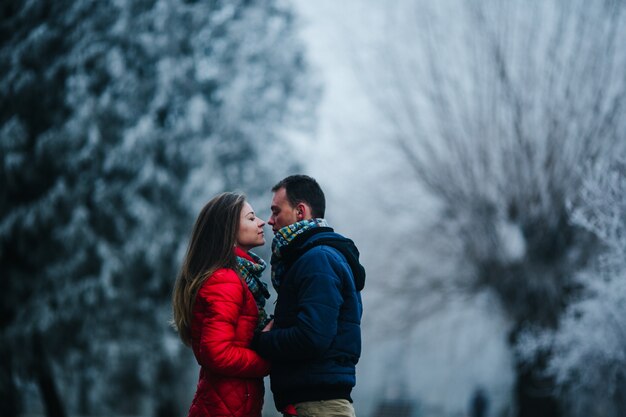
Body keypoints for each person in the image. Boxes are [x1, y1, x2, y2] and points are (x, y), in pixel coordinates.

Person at [252, 175, 366, 417]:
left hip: (319, 405)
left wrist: (261, 341)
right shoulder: (312, 257)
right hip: (313, 402)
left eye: (276, 211)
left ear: (300, 211)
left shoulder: (318, 259)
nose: (270, 221)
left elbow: (312, 337)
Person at [172, 192, 272, 417]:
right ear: (229, 230)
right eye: (251, 218)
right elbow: (216, 352)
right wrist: (266, 361)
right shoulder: (225, 280)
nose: (261, 222)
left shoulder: (238, 278)